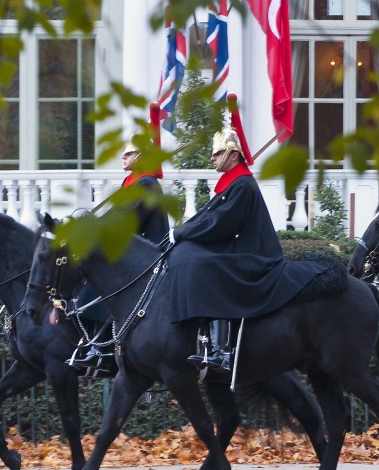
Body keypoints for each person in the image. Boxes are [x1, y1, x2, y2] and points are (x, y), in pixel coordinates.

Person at [168, 126, 331, 375]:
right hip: (237, 248)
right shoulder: (233, 183)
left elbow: (221, 223)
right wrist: (182, 231)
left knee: (205, 265)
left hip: (252, 254)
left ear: (233, 155)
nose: (212, 158)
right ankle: (204, 340)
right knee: (189, 255)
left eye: (217, 153)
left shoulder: (243, 185)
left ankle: (221, 350)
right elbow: (207, 217)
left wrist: (183, 233)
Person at [78, 136, 169, 371]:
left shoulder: (147, 184)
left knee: (100, 283)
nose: (123, 157)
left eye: (128, 154)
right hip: (130, 251)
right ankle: (92, 343)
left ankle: (102, 348)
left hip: (145, 256)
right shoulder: (132, 183)